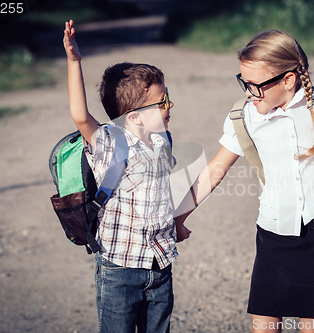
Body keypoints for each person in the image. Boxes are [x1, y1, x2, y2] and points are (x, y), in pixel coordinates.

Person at [174, 30, 314, 333]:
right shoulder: (246, 117)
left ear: (288, 80)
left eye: (257, 85)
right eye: (245, 83)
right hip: (273, 232)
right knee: (264, 324)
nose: (251, 93)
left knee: (313, 324)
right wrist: (179, 216)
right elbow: (215, 169)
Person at [63, 20, 190, 333]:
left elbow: (161, 192)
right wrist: (74, 62)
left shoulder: (163, 140)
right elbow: (81, 116)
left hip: (160, 266)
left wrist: (176, 223)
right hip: (120, 267)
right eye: (162, 102)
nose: (169, 104)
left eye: (167, 96)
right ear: (133, 116)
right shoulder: (109, 143)